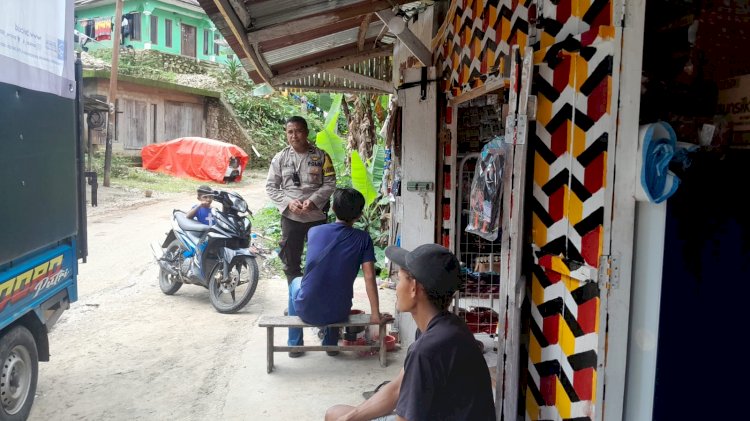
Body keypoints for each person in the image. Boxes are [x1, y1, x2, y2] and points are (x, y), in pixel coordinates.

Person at [325, 244, 496, 421]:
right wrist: (349, 418)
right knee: (336, 414)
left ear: (414, 287)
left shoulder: (427, 349)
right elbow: (397, 388)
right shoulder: (444, 325)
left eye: (399, 279)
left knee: (334, 415)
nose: (396, 287)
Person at [287, 188, 386, 358]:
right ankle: (331, 346)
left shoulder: (314, 232)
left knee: (295, 282)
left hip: (306, 309)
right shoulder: (364, 239)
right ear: (360, 214)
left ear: (333, 208)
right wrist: (375, 314)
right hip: (339, 312)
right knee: (335, 288)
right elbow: (369, 276)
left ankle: (294, 346)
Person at [265, 116, 336, 284]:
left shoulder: (321, 156)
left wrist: (314, 200)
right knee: (290, 262)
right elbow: (271, 187)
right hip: (291, 217)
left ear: (306, 132)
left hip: (316, 217)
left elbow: (330, 183)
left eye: (298, 131)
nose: (294, 136)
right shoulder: (280, 158)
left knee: (319, 260)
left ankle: (313, 297)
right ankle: (294, 299)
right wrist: (288, 202)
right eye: (290, 132)